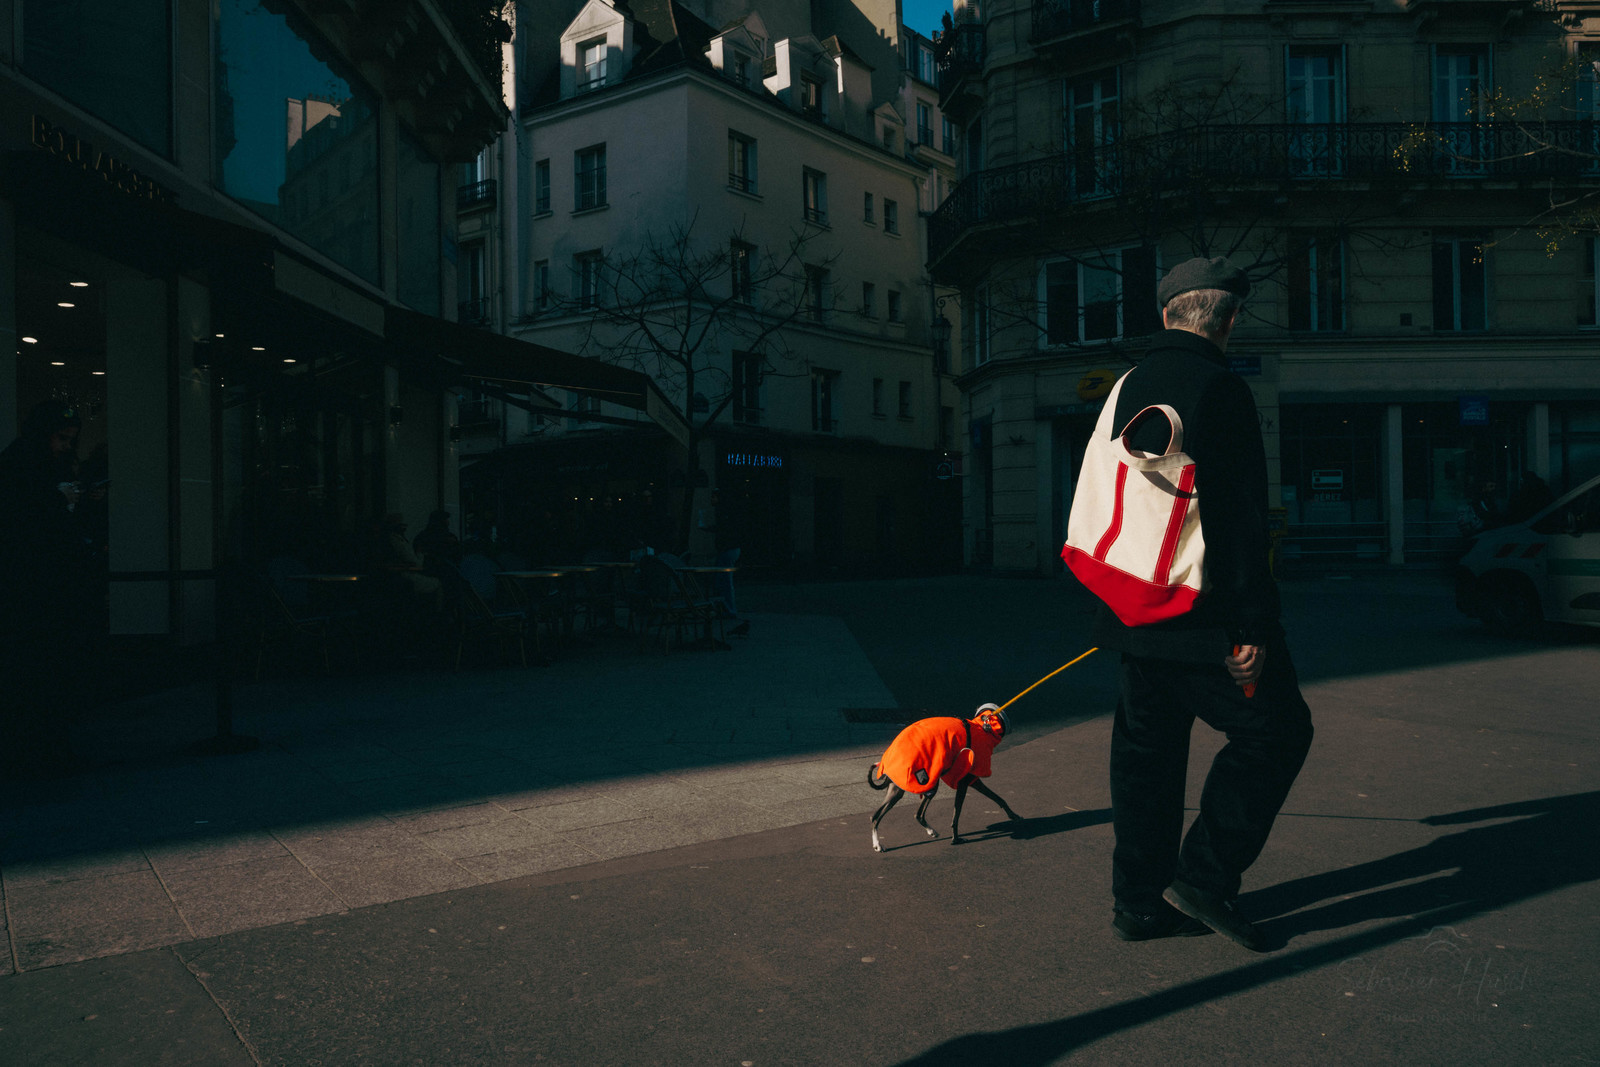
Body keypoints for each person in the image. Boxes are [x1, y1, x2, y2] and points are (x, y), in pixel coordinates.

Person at [1088, 257, 1314, 951]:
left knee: (1145, 760)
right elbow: (1239, 518)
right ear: (1229, 318)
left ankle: (1137, 902)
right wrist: (1253, 624)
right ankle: (1204, 876)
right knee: (1276, 732)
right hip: (1205, 620)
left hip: (1133, 613)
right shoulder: (1221, 389)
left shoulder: (1127, 384)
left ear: (1165, 315)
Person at [0, 401, 98, 776]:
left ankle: (46, 746)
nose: (64, 445)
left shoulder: (38, 462)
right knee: (38, 670)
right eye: (60, 438)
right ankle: (38, 749)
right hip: (33, 588)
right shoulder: (21, 465)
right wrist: (63, 501)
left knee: (49, 670)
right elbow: (20, 521)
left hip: (49, 585)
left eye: (69, 439)